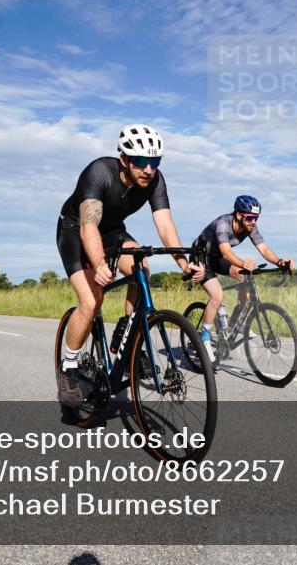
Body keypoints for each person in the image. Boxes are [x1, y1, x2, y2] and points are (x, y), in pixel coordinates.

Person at [56, 124, 204, 403]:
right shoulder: (99, 172)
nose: (149, 169)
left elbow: (165, 225)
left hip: (112, 231)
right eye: (141, 162)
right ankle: (69, 366)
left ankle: (127, 330)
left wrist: (183, 263)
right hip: (76, 231)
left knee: (141, 269)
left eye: (155, 161)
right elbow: (89, 225)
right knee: (91, 302)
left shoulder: (156, 181)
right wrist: (99, 263)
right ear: (124, 159)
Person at [192, 195, 295, 348]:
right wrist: (243, 263)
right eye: (250, 218)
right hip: (200, 256)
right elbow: (227, 253)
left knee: (246, 278)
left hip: (217, 257)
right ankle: (204, 336)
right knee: (217, 295)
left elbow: (263, 248)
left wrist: (280, 262)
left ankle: (236, 322)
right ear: (239, 215)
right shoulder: (223, 224)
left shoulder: (250, 227)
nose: (253, 222)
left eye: (256, 218)